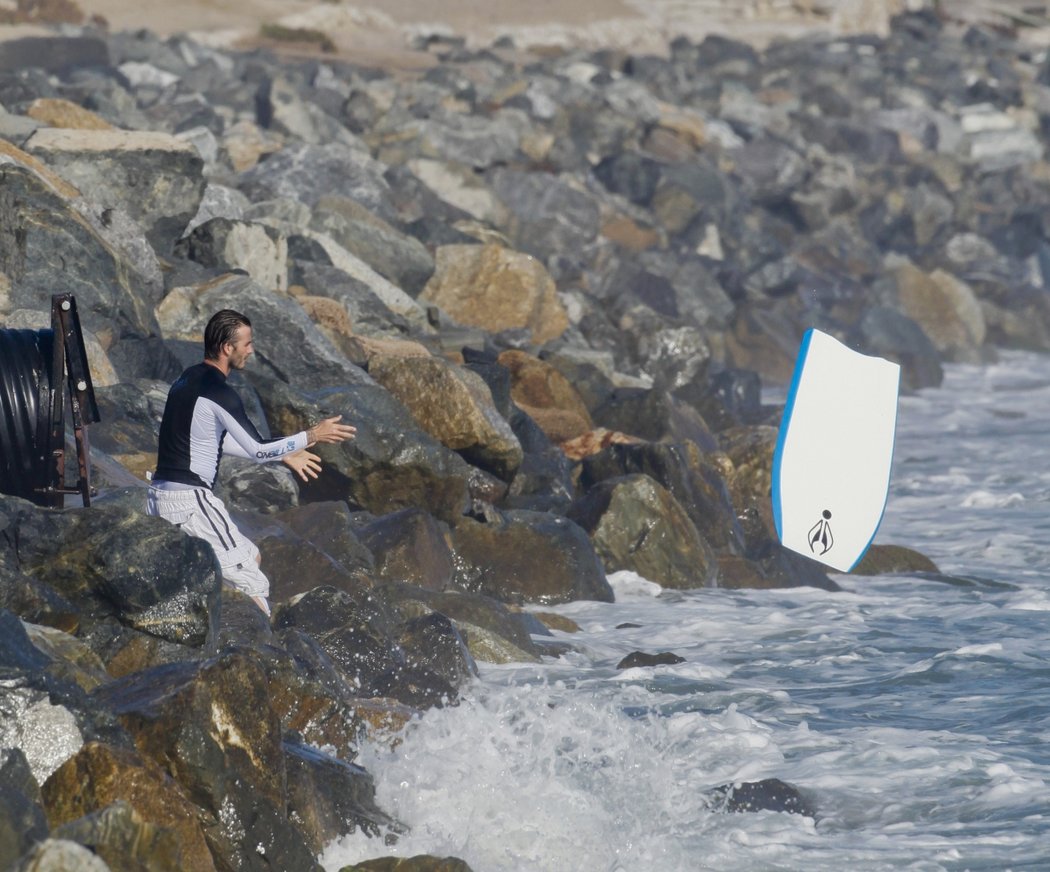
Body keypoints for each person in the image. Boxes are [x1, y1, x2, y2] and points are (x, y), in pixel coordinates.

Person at [147, 309, 356, 616]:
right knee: (251, 580)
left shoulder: (188, 378)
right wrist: (312, 435)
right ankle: (263, 655)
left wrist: (284, 453)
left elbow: (211, 441)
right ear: (227, 348)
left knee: (250, 555)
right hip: (189, 502)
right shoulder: (219, 391)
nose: (251, 350)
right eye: (247, 344)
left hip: (161, 495)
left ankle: (222, 633)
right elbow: (258, 449)